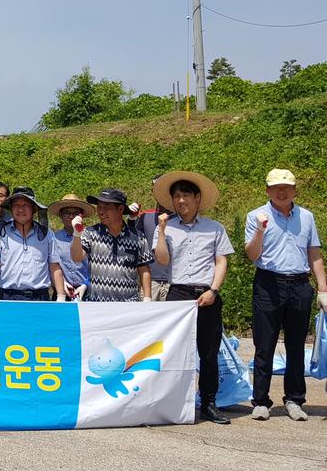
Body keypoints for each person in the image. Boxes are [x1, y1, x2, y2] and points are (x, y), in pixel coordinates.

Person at [244, 168, 327, 422]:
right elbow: (252, 255)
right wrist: (259, 230)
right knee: (264, 344)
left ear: (295, 190)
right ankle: (260, 401)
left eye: (287, 187)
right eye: (276, 187)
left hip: (300, 284)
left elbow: (314, 253)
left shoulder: (307, 217)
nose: (282, 191)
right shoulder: (256, 215)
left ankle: (294, 399)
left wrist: (323, 289)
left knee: (296, 344)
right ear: (267, 190)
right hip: (268, 283)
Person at [152, 171, 232, 425]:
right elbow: (162, 260)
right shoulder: (165, 227)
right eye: (176, 196)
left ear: (197, 198)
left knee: (208, 352)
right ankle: (174, 403)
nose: (181, 201)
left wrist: (214, 290)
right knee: (176, 352)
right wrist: (163, 231)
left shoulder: (214, 228)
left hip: (207, 293)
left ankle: (208, 403)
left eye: (186, 195)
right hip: (178, 294)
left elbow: (221, 260)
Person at [71, 188, 153, 302]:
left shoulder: (138, 237)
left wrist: (147, 298)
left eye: (106, 207)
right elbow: (77, 257)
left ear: (120, 209)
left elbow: (144, 269)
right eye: (99, 207)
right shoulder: (90, 233)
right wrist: (76, 234)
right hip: (97, 304)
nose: (101, 211)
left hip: (129, 305)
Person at [0, 187, 61, 301]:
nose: (20, 209)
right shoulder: (0, 232)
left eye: (25, 205)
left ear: (34, 208)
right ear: (11, 208)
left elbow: (54, 266)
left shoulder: (46, 234)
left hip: (40, 298)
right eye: (16, 205)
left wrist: (61, 296)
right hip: (9, 298)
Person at [134, 175, 173, 301]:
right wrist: (131, 219)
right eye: (156, 189)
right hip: (150, 281)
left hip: (174, 281)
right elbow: (133, 241)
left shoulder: (182, 218)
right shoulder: (145, 217)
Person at [47, 194, 92, 300]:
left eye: (75, 213)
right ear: (61, 215)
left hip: (87, 292)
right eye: (67, 213)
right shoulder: (54, 238)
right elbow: (50, 265)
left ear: (81, 216)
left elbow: (97, 265)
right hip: (61, 291)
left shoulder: (90, 236)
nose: (71, 216)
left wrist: (86, 284)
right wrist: (61, 283)